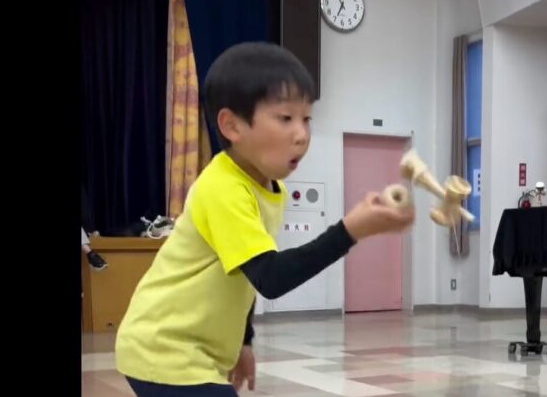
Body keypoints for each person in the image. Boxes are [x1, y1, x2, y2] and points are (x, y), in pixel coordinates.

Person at [114, 42, 414, 397]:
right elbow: (271, 277)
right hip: (162, 348)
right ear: (232, 125)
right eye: (285, 118)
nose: (302, 135)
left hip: (191, 351)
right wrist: (350, 230)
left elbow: (248, 271)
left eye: (306, 119)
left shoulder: (269, 188)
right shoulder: (223, 188)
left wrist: (244, 341)